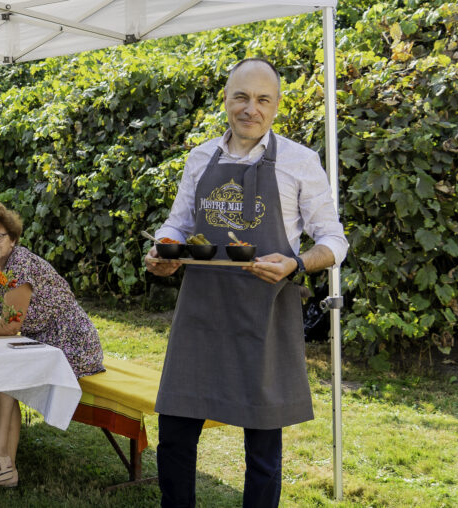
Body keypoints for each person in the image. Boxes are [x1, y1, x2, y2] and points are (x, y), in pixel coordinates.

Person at [144, 58, 348, 508]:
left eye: (262, 99)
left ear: (276, 107)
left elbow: (334, 240)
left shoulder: (299, 161)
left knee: (262, 449)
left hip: (264, 313)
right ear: (226, 100)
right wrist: (164, 251)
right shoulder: (201, 157)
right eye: (241, 97)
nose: (250, 108)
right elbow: (177, 225)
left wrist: (296, 263)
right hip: (200, 312)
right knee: (175, 437)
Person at [0, 202, 105, 486]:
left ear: (13, 238)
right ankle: (3, 464)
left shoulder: (21, 264)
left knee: (4, 374)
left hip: (71, 343)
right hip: (40, 339)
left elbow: (10, 325)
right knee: (0, 372)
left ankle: (0, 463)